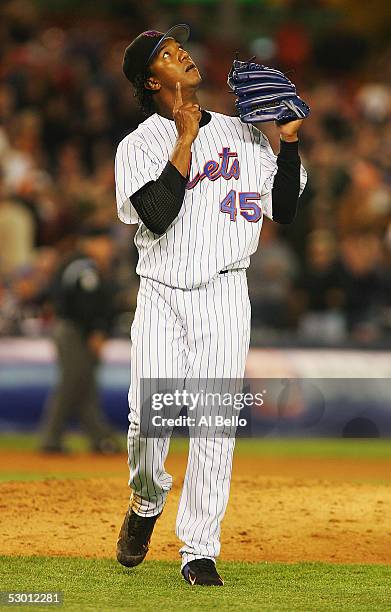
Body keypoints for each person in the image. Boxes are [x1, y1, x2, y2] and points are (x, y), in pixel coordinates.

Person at [114, 24, 307, 586]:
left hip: (225, 292)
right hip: (161, 294)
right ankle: (146, 502)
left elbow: (287, 209)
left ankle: (199, 549)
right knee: (148, 427)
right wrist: (184, 138)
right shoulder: (138, 145)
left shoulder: (245, 135)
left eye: (182, 49)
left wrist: (288, 140)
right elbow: (154, 213)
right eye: (170, 55)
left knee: (215, 425)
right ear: (153, 80)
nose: (185, 56)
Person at [40, 226, 120, 454]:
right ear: (92, 242)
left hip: (71, 329)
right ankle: (51, 438)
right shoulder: (85, 267)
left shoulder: (74, 263)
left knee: (84, 385)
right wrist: (96, 330)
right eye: (105, 242)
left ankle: (101, 439)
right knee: (72, 384)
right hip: (75, 331)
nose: (108, 248)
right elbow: (87, 304)